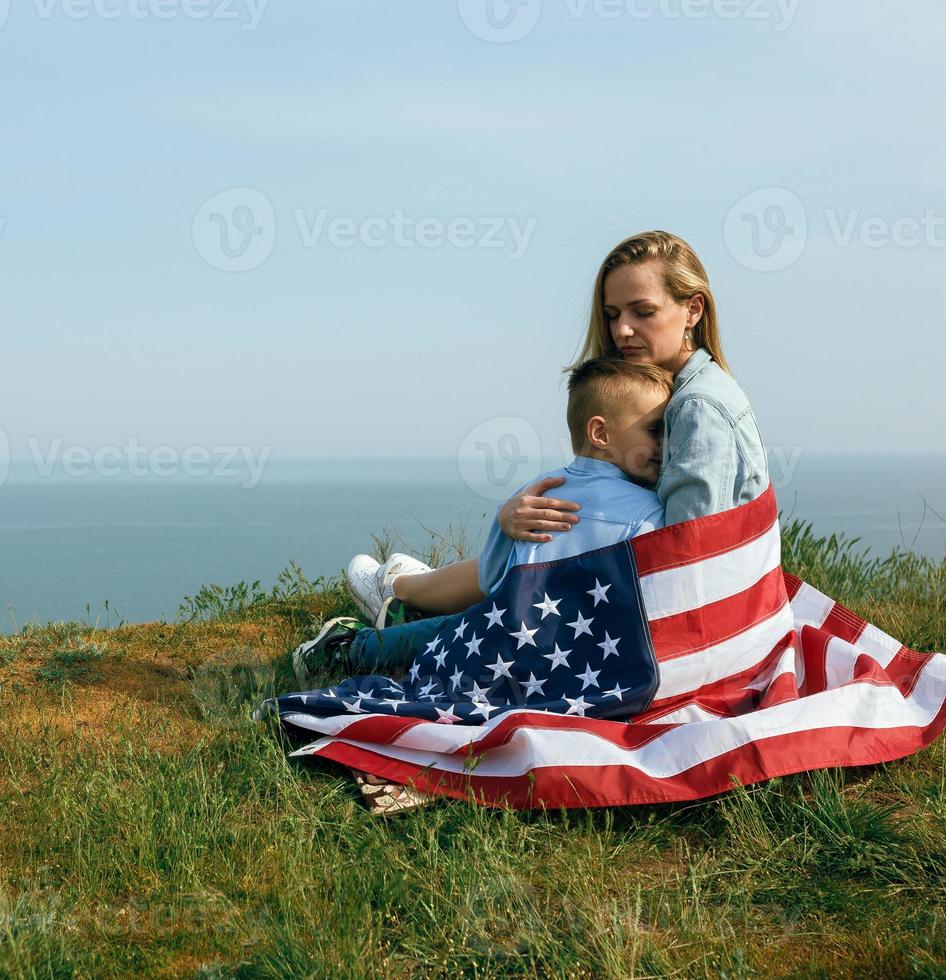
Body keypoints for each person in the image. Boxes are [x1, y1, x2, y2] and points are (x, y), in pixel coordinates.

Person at [348, 230, 771, 624]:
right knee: (547, 539)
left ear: (693, 309)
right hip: (658, 598)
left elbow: (683, 560)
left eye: (643, 312)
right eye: (612, 314)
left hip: (691, 621)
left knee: (531, 583)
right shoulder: (682, 388)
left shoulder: (698, 408)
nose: (622, 330)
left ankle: (392, 602)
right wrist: (512, 518)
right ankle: (402, 585)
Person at [293, 357, 674, 683]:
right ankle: (395, 602)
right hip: (574, 663)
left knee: (463, 626)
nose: (666, 443)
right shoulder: (649, 514)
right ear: (600, 433)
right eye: (655, 429)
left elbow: (490, 580)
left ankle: (345, 649)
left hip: (504, 645)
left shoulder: (531, 494)